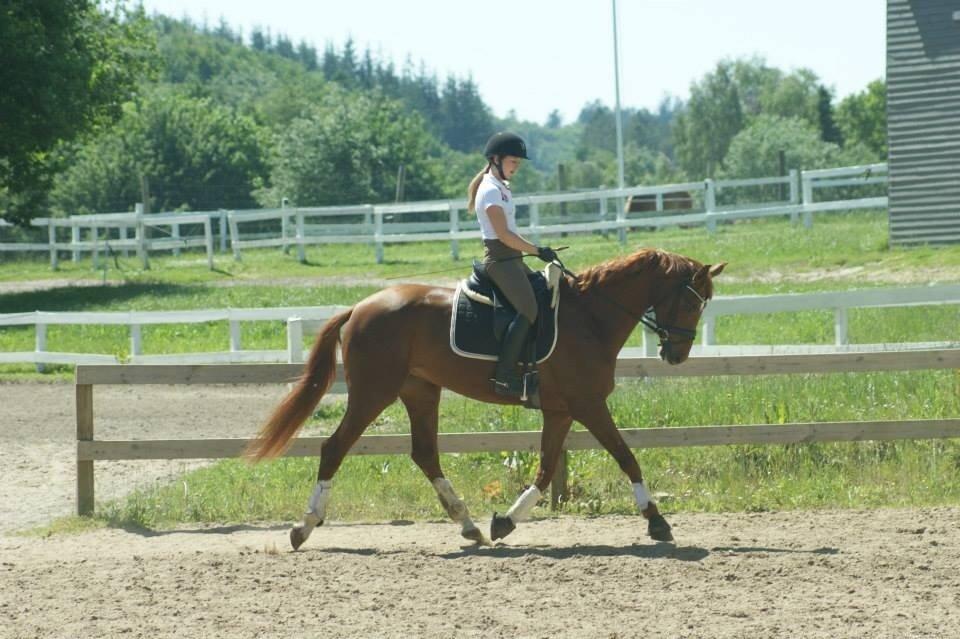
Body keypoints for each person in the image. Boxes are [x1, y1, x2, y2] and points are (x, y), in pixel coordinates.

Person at [466, 132, 558, 398]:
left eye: (518, 162)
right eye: (513, 161)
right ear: (496, 159)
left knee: (541, 291)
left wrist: (532, 251)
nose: (516, 166)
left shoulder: (501, 187)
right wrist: (537, 250)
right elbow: (504, 235)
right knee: (528, 308)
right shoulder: (490, 190)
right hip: (500, 260)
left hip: (512, 258)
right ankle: (504, 377)